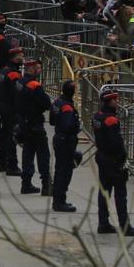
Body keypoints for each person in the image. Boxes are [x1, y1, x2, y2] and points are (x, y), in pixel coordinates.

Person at [93, 90, 134, 235]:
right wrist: (122, 156)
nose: (117, 102)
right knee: (120, 195)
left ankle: (103, 223)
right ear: (110, 101)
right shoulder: (111, 120)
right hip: (113, 160)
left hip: (102, 156)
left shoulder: (97, 116)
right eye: (115, 100)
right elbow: (116, 142)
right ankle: (125, 226)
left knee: (104, 192)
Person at [15, 58, 51, 195]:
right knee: (43, 155)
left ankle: (26, 184)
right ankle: (46, 185)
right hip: (35, 124)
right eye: (38, 68)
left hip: (23, 123)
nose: (40, 70)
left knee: (27, 154)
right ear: (31, 68)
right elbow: (46, 103)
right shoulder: (34, 85)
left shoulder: (20, 82)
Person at [49, 79, 80, 212]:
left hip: (59, 138)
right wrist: (76, 126)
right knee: (65, 172)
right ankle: (60, 201)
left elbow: (52, 121)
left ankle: (58, 200)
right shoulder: (67, 107)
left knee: (59, 170)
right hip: (65, 141)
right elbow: (68, 126)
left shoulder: (57, 102)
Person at [0, 47, 24, 176]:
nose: (22, 58)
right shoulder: (14, 74)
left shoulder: (4, 70)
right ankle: (12, 165)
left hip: (3, 105)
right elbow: (17, 93)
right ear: (14, 58)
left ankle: (1, 162)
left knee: (3, 135)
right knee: (11, 136)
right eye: (20, 56)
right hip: (11, 108)